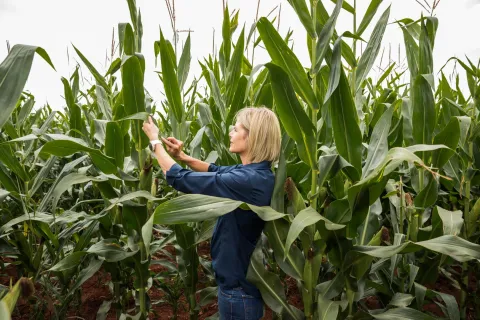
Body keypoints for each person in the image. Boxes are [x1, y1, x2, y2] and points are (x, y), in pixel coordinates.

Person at [142, 106, 281, 320]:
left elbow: (179, 178)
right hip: (240, 289)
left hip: (239, 293)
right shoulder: (255, 174)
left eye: (236, 129)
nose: (230, 133)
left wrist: (155, 142)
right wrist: (182, 156)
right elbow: (215, 170)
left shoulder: (248, 180)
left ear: (252, 136)